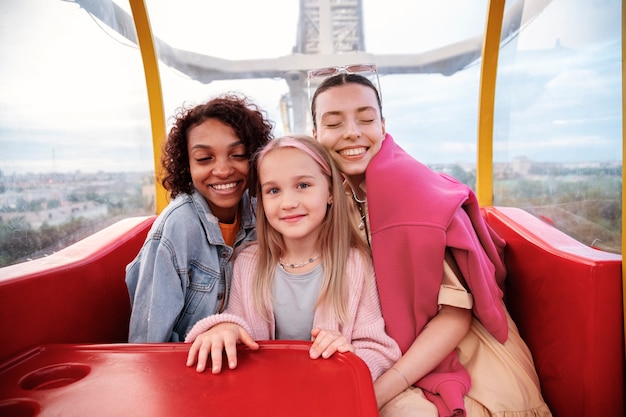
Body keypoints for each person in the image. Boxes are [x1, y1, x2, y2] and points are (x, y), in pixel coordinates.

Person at [309, 67, 552, 417]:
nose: (352, 133)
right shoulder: (326, 198)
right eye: (333, 124)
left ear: (383, 126)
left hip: (463, 358)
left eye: (366, 119)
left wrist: (372, 395)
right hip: (382, 349)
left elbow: (455, 318)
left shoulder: (416, 196)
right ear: (315, 133)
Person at [184, 135, 401, 380]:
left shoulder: (355, 263)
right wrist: (223, 328)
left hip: (327, 393)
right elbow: (235, 323)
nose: (288, 203)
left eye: (303, 185)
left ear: (331, 191)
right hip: (266, 393)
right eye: (274, 190)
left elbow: (378, 349)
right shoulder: (248, 262)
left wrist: (347, 356)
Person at [125, 93, 273, 342]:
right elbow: (147, 342)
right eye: (205, 159)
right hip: (188, 365)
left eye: (237, 155)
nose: (224, 170)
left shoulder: (264, 212)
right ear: (187, 165)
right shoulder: (176, 229)